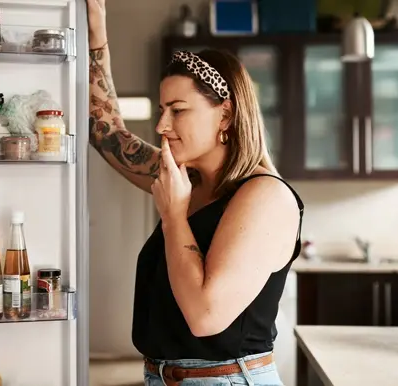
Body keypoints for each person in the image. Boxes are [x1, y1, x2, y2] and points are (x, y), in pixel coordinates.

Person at [87, 1, 304, 385]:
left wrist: (173, 216)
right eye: (161, 110)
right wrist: (96, 33)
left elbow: (205, 316)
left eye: (178, 110)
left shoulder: (264, 197)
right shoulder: (187, 179)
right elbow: (108, 136)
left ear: (226, 114)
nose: (161, 125)